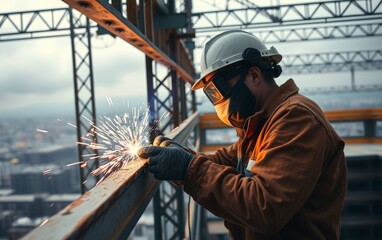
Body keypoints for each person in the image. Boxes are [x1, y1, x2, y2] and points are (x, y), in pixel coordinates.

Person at [138, 30, 347, 239]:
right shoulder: (262, 123)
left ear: (254, 75)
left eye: (218, 89)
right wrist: (182, 157)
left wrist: (188, 167)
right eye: (210, 95)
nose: (217, 101)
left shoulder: (297, 118)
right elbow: (226, 161)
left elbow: (266, 206)